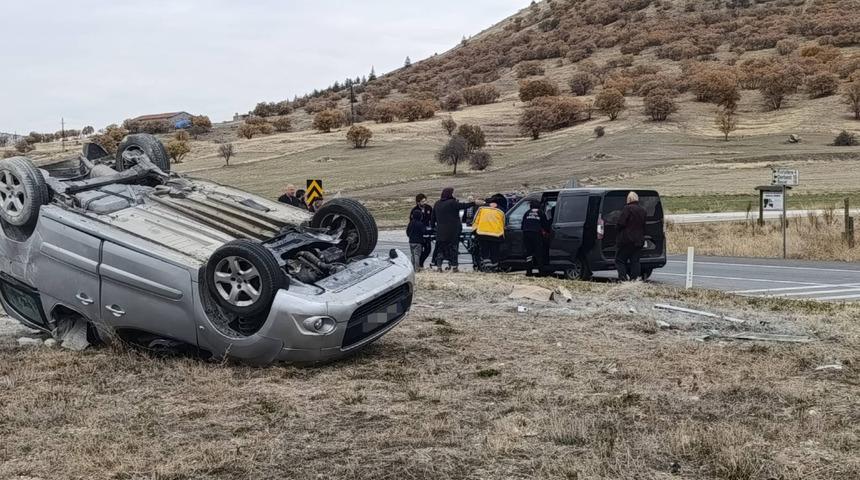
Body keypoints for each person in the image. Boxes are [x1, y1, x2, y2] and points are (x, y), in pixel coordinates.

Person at [431, 187, 478, 272]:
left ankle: (439, 267)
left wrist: (433, 228)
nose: (454, 194)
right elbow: (463, 206)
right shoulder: (452, 203)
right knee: (453, 249)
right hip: (453, 232)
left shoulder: (437, 203)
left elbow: (433, 218)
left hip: (441, 232)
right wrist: (473, 203)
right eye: (453, 193)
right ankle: (454, 267)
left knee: (440, 250)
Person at [615, 191, 647, 281]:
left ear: (628, 199)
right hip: (639, 240)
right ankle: (634, 280)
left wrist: (616, 228)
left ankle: (623, 279)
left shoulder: (627, 209)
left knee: (620, 260)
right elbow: (644, 226)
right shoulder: (643, 210)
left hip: (626, 240)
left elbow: (621, 223)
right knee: (635, 261)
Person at [471, 200, 505, 271]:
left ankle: (487, 267)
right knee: (494, 252)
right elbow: (503, 223)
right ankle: (494, 267)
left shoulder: (481, 208)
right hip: (496, 234)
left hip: (482, 233)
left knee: (485, 251)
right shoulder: (501, 210)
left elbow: (475, 220)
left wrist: (474, 230)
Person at [522, 200, 550, 277]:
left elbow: (522, 225)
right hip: (536, 234)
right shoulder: (541, 213)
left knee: (529, 253)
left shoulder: (527, 213)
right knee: (538, 253)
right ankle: (541, 272)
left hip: (526, 234)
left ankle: (529, 271)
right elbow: (545, 225)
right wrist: (548, 232)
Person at [410, 194, 434, 268]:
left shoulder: (429, 208)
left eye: (425, 201)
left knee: (428, 249)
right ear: (418, 202)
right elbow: (411, 222)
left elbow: (432, 218)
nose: (424, 202)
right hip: (418, 234)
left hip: (427, 231)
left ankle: (421, 262)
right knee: (418, 252)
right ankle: (418, 266)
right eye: (422, 201)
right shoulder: (414, 210)